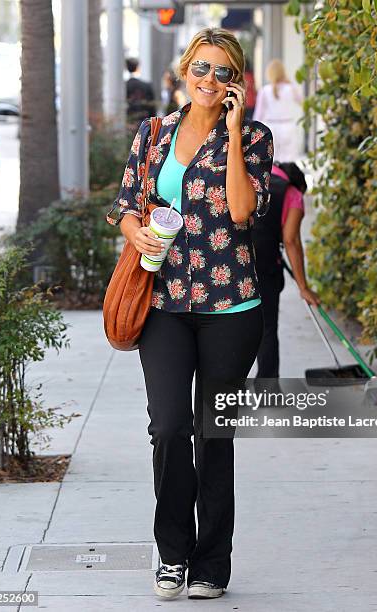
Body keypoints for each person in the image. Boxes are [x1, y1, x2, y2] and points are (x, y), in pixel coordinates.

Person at [107, 28, 273, 600]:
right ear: (184, 72)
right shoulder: (153, 133)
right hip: (163, 304)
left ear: (237, 83)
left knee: (214, 435)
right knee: (170, 429)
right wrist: (142, 237)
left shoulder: (252, 136)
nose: (210, 79)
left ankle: (210, 564)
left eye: (223, 72)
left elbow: (243, 211)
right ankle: (171, 554)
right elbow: (126, 207)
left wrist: (229, 133)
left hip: (231, 307)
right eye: (201, 68)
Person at [252, 161, 320, 380]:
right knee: (266, 329)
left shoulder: (255, 176)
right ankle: (267, 390)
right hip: (264, 269)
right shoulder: (292, 194)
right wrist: (303, 287)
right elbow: (291, 240)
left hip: (231, 264)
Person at [253, 58, 302, 163]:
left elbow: (258, 115)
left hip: (271, 128)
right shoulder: (291, 88)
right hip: (288, 127)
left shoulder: (264, 90)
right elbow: (304, 103)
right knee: (289, 161)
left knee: (272, 161)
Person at [125, 57, 156, 129]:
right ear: (138, 67)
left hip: (128, 124)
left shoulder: (124, 86)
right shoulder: (147, 85)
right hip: (145, 126)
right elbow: (152, 107)